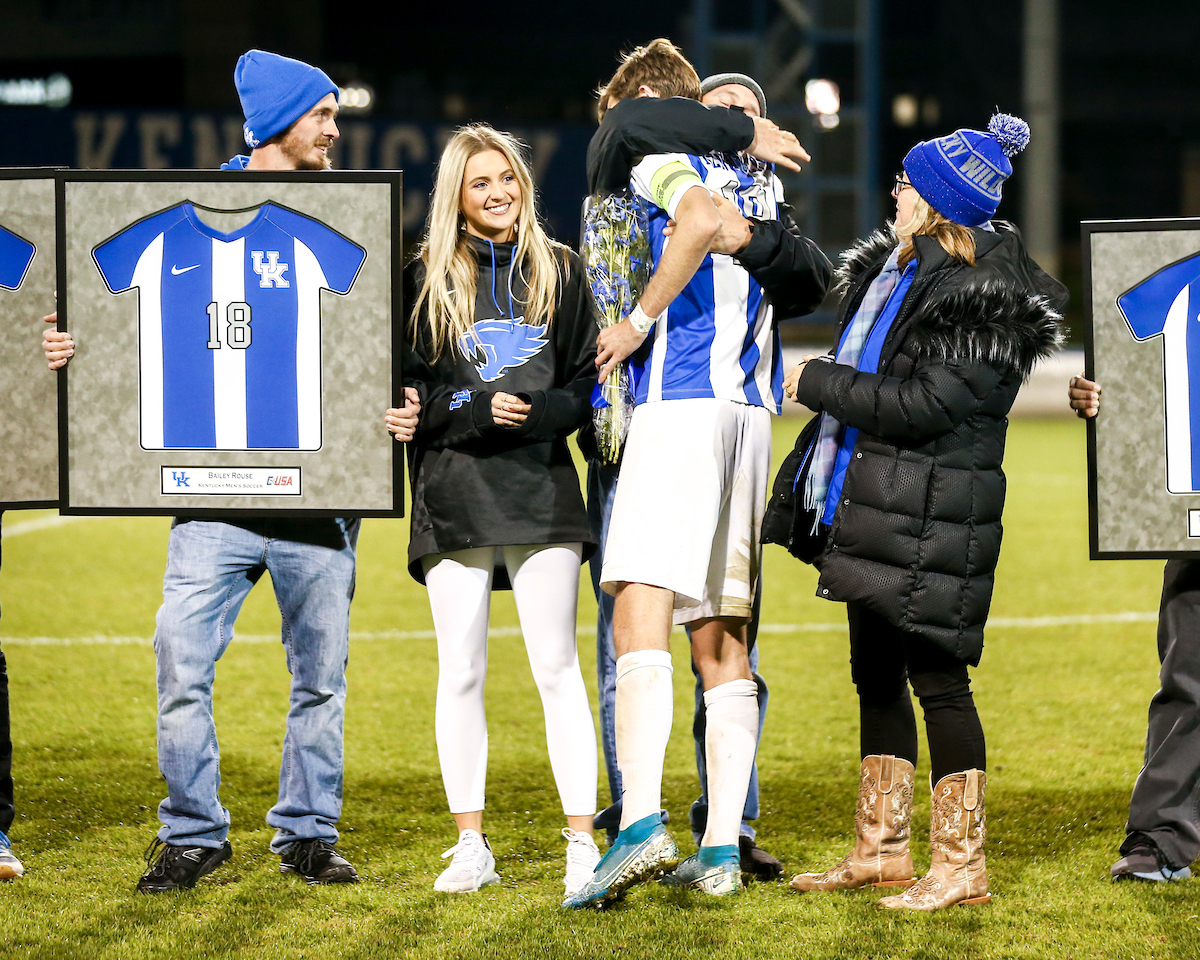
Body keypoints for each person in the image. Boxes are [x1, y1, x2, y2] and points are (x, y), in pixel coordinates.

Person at [43, 49, 423, 893]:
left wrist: (399, 401)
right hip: (208, 502)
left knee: (321, 679)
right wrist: (75, 348)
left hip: (320, 498)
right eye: (322, 114)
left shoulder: (347, 216)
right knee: (180, 663)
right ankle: (193, 834)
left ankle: (309, 834)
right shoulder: (177, 214)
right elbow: (103, 310)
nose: (334, 129)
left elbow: (373, 341)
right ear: (281, 120)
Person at [764, 115, 1066, 910]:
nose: (893, 192)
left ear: (935, 202)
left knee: (939, 681)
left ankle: (962, 866)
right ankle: (883, 851)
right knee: (875, 677)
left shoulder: (982, 294)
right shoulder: (900, 273)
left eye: (905, 182)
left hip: (933, 509)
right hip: (882, 504)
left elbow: (928, 404)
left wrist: (817, 383)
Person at [581, 55, 831, 883]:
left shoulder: (666, 159)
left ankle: (642, 822)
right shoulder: (768, 197)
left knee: (636, 609)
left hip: (679, 401)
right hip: (749, 417)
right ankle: (721, 846)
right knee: (724, 635)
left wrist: (637, 323)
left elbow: (690, 221)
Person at [394, 124, 601, 899]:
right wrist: (476, 408)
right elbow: (410, 391)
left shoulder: (563, 271)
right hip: (454, 490)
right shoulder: (424, 277)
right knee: (462, 672)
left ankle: (581, 843)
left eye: (508, 178)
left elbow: (584, 386)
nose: (499, 193)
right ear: (458, 194)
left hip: (541, 486)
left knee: (556, 666)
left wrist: (541, 411)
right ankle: (470, 844)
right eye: (481, 183)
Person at [1069, 375, 1200, 881]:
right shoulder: (1182, 292)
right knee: (1190, 675)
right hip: (1196, 514)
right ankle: (1163, 837)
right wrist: (1114, 396)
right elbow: (1151, 365)